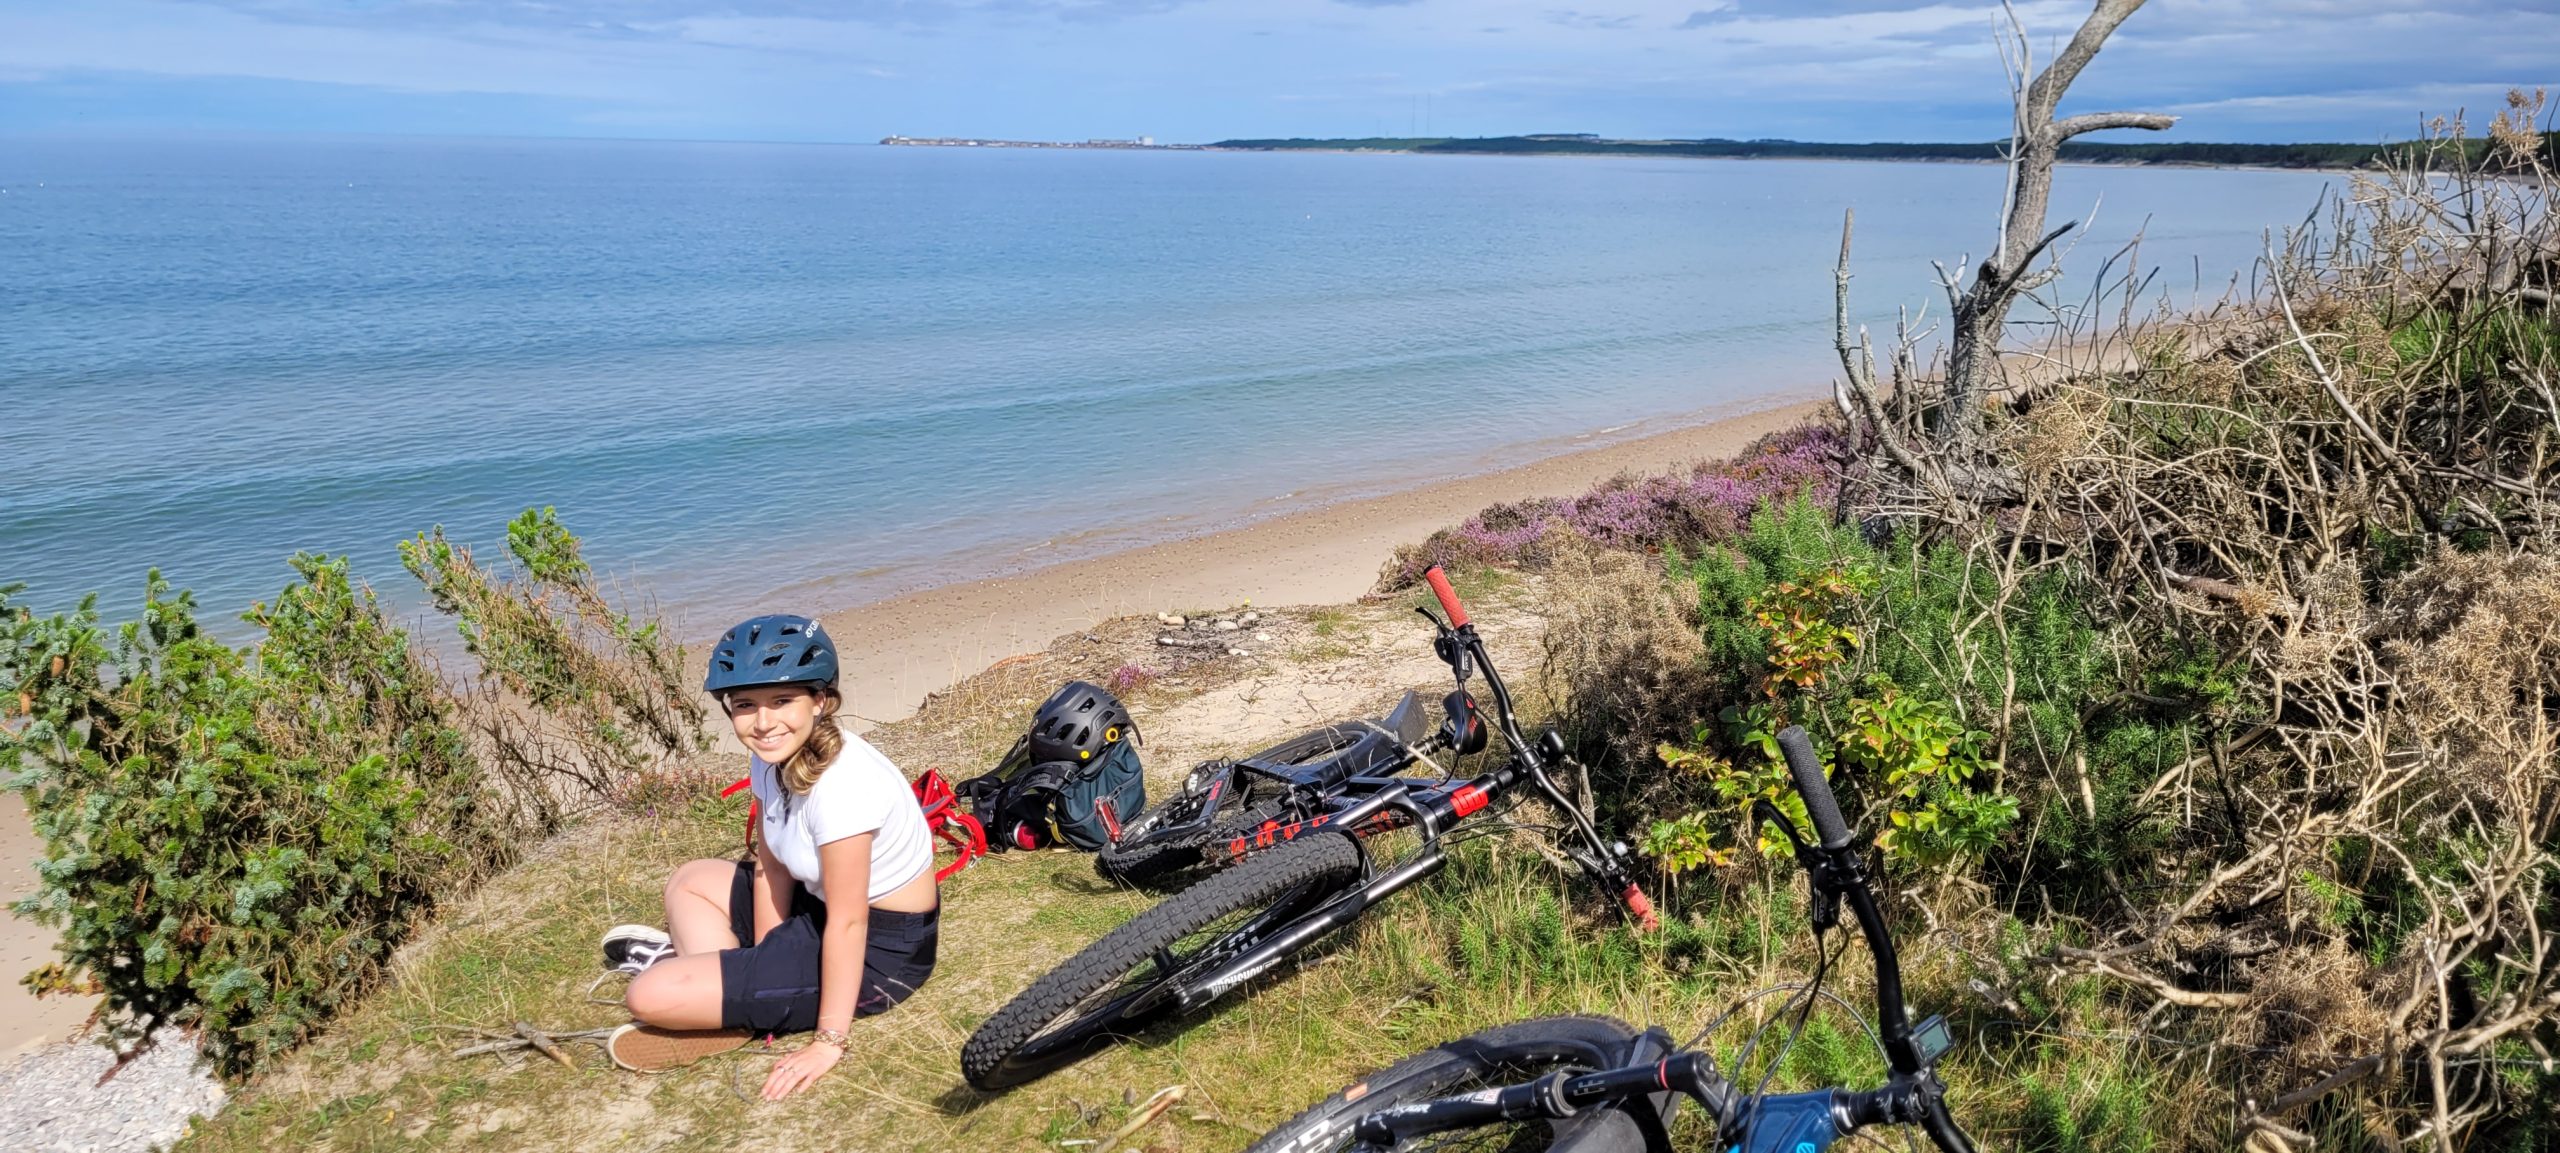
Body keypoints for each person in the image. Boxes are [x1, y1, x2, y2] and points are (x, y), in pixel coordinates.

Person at [598, 614, 939, 1099]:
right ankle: (734, 997)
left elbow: (848, 923)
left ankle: (719, 999)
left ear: (819, 700)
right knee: (690, 881)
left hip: (882, 953)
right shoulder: (773, 756)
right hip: (816, 904)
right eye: (745, 706)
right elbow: (772, 864)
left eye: (782, 702)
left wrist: (829, 1042)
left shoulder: (843, 787)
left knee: (647, 995)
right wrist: (764, 957)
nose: (762, 723)